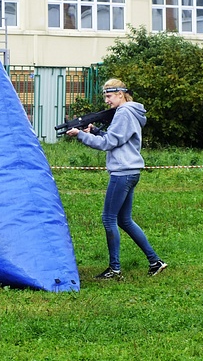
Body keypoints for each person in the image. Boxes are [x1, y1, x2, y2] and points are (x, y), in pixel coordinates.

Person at [66, 78, 167, 280]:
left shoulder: (123, 113)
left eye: (109, 96)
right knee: (124, 220)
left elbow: (108, 143)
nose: (107, 101)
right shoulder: (131, 112)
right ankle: (155, 262)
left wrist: (80, 135)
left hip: (122, 172)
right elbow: (119, 139)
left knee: (108, 218)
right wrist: (95, 131)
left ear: (121, 94)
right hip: (130, 170)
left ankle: (115, 269)